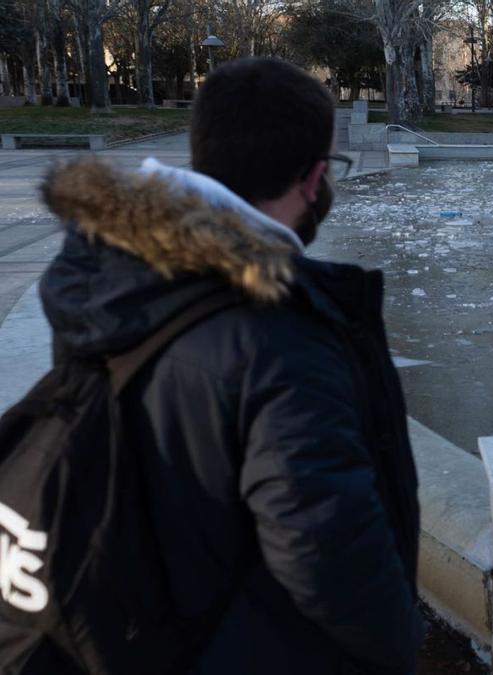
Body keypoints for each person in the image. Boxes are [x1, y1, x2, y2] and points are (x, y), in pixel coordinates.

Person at [36, 57, 422, 673]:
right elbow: (326, 550)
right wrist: (402, 644)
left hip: (139, 621)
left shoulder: (111, 269)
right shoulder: (282, 341)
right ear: (313, 178)